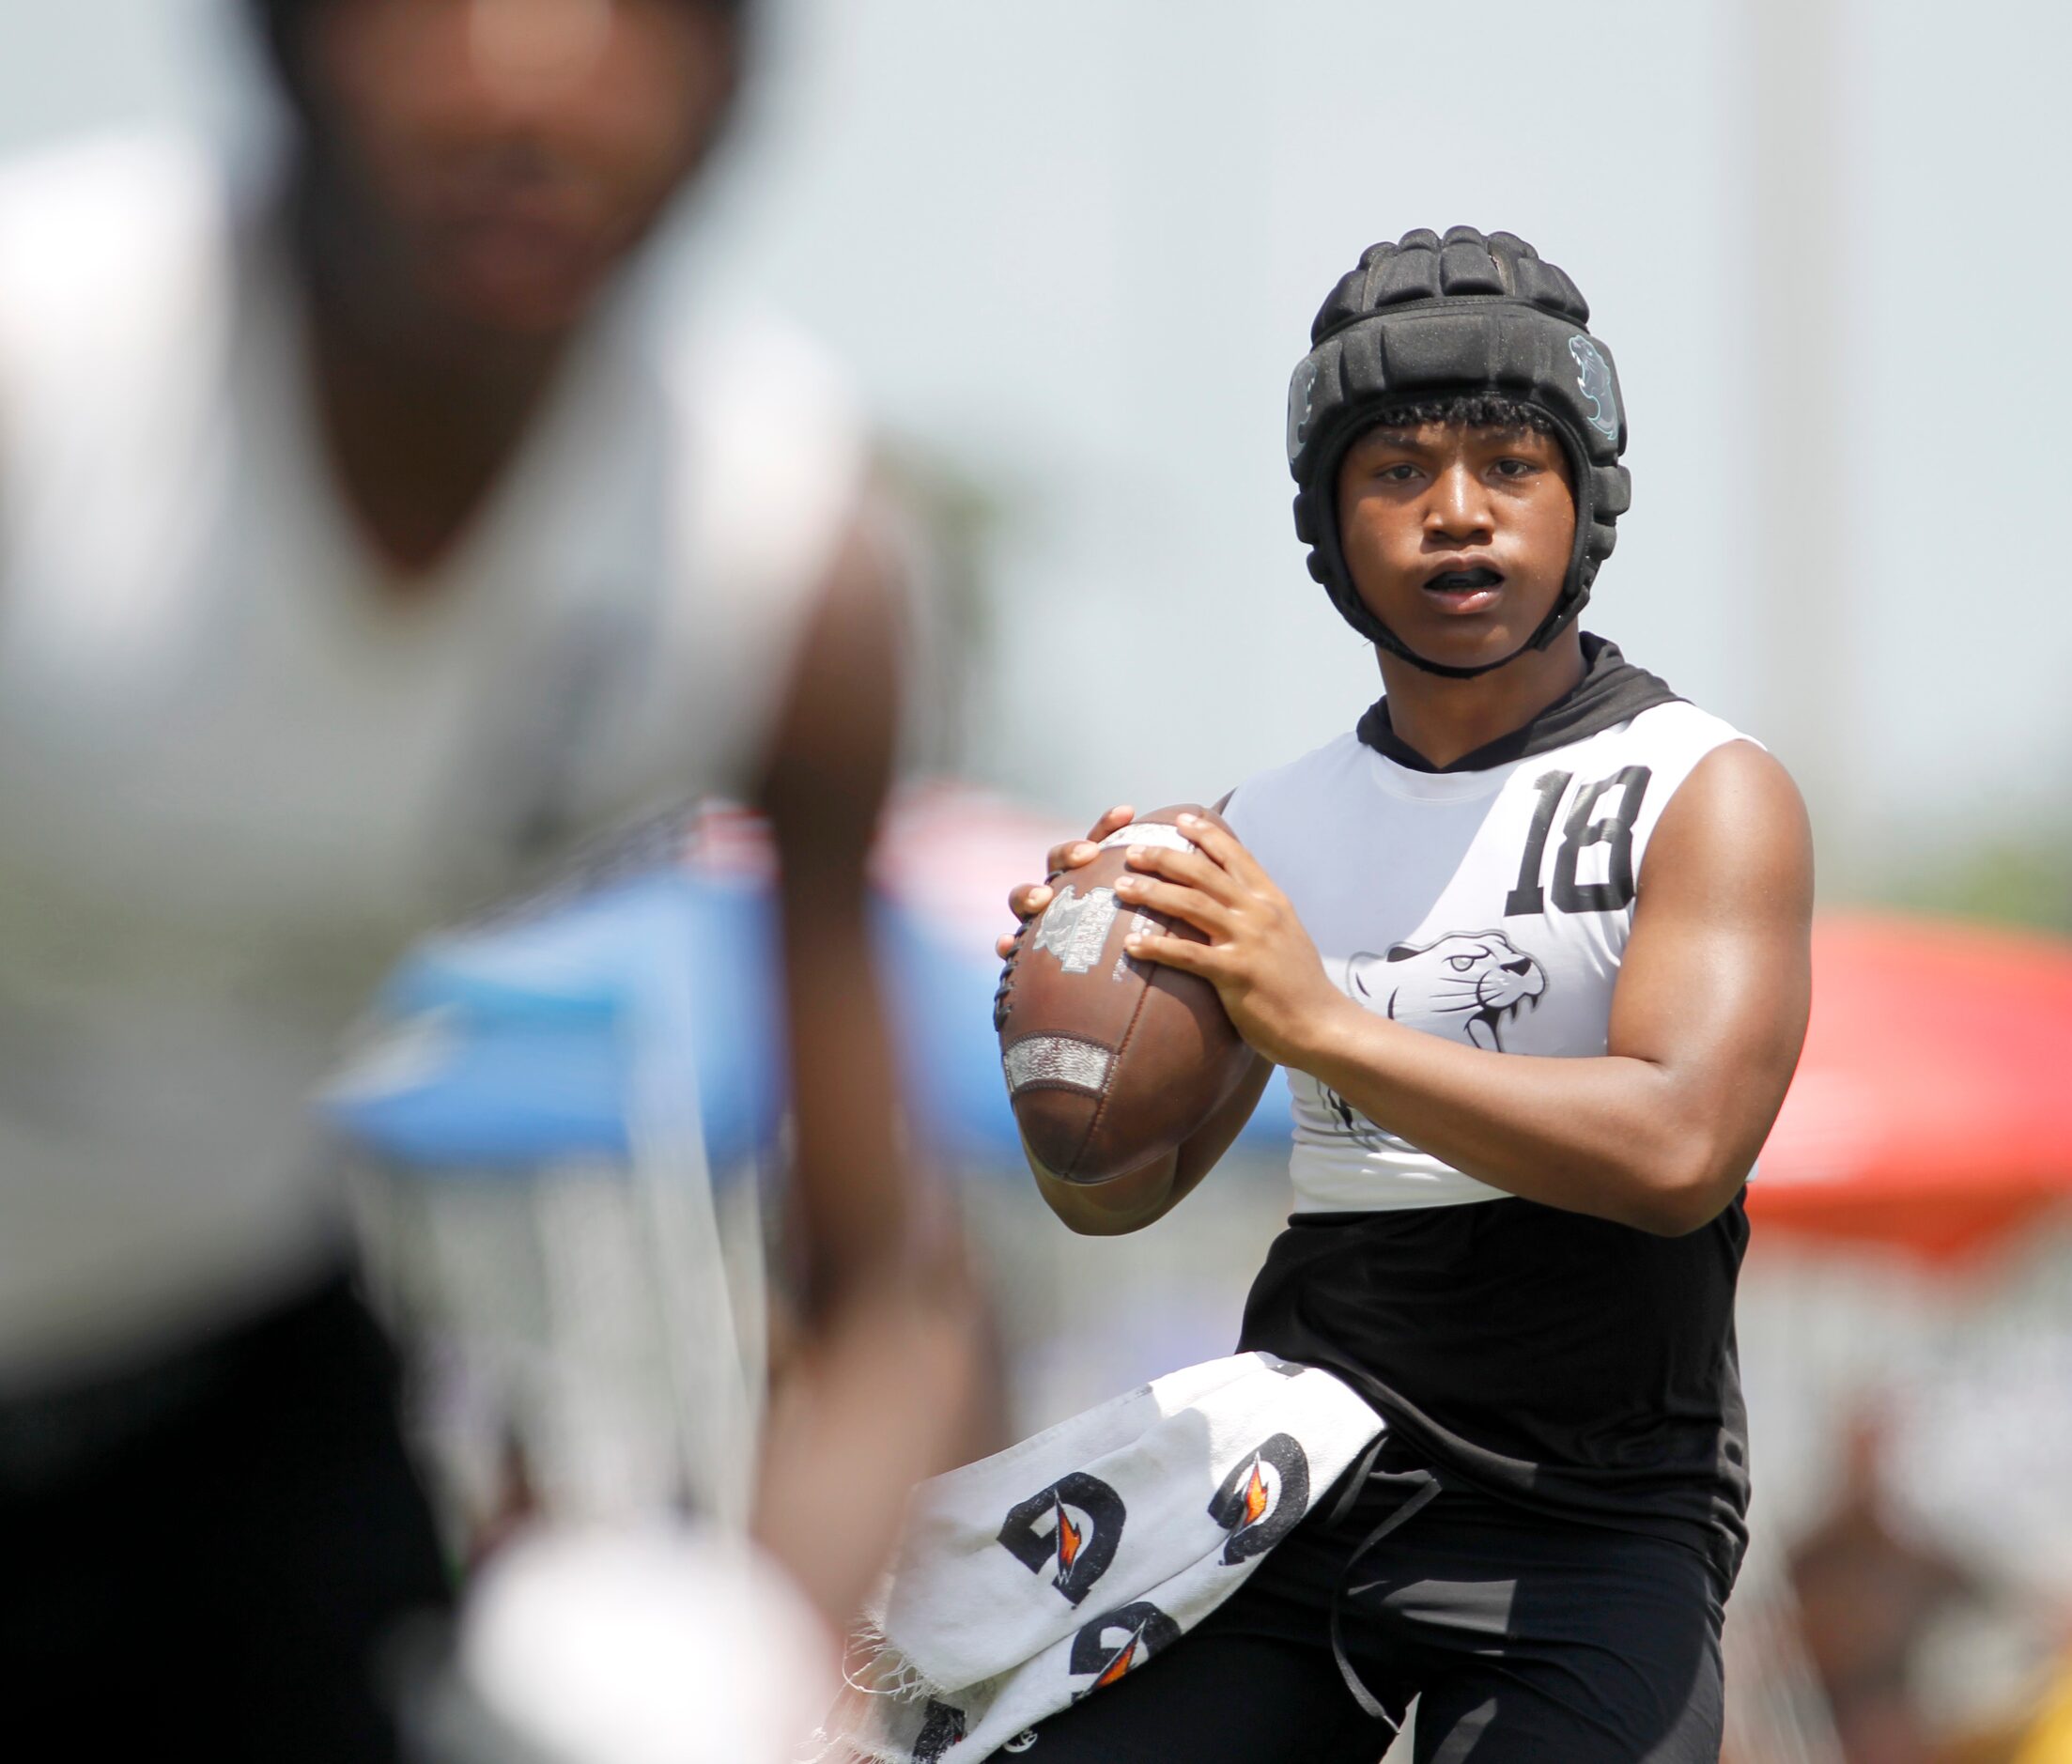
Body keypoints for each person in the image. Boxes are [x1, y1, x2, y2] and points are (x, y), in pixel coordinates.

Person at [0, 2, 972, 1756]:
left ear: (740, 87)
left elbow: (889, 1293)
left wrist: (768, 1657)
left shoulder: (777, 572)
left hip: (217, 1399)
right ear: (288, 43)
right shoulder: (44, 368)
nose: (532, 80)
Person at [981, 228, 1814, 1760]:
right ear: (1325, 522)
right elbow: (1114, 1201)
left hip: (1592, 1521)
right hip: (1295, 1489)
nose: (1454, 514)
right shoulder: (1253, 830)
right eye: (1394, 472)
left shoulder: (1701, 788)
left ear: (1584, 502)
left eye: (1509, 463)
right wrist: (1063, 1046)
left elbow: (1678, 1149)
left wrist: (1323, 1024)